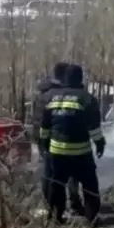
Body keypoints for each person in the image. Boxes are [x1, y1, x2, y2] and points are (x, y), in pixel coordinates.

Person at [38, 63, 106, 226]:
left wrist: (44, 146)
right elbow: (94, 128)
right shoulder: (87, 98)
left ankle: (57, 217)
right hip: (81, 153)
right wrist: (100, 144)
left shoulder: (49, 97)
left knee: (57, 186)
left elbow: (44, 128)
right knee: (90, 186)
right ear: (80, 78)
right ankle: (93, 218)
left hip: (57, 153)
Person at [34, 62, 85, 217]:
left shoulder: (44, 91)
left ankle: (51, 207)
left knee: (49, 174)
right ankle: (69, 206)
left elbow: (39, 119)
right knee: (68, 175)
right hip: (59, 139)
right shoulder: (61, 93)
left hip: (43, 137)